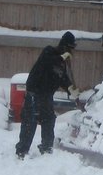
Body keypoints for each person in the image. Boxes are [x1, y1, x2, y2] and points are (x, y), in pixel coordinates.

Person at [15, 31, 78, 159]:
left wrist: (70, 88)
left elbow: (61, 77)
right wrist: (61, 57)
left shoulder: (61, 63)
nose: (70, 51)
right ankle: (22, 151)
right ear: (64, 46)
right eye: (69, 48)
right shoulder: (49, 52)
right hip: (34, 93)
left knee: (49, 120)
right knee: (30, 121)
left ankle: (46, 149)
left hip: (46, 95)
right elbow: (47, 62)